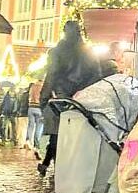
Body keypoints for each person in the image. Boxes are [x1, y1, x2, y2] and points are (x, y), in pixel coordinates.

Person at [38, 21, 101, 176]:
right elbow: (97, 75)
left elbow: (51, 74)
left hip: (61, 98)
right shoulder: (89, 52)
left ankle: (60, 172)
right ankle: (65, 169)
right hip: (83, 99)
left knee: (57, 135)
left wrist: (44, 98)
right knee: (77, 135)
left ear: (64, 32)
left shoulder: (58, 51)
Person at [25, 79, 43, 156]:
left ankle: (28, 140)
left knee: (30, 125)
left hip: (31, 107)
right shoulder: (43, 86)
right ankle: (36, 145)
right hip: (39, 108)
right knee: (39, 127)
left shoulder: (33, 86)